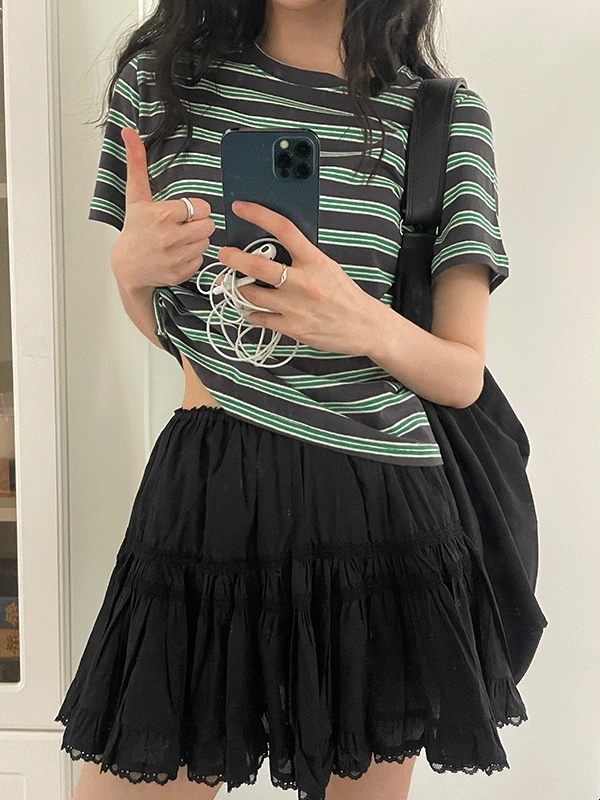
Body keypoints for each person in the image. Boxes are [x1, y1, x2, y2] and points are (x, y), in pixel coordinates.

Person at [55, 1, 526, 799]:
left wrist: (360, 320)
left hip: (378, 507)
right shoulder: (162, 86)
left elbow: (462, 375)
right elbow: (180, 333)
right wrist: (130, 273)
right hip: (206, 489)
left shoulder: (440, 116)